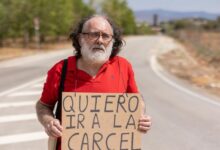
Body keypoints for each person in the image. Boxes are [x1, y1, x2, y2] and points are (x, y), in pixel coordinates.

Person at [36, 15, 152, 150]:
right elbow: (43, 105)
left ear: (113, 41)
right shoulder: (61, 70)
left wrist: (140, 115)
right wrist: (49, 122)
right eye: (94, 35)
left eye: (106, 36)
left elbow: (136, 99)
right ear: (80, 39)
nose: (100, 41)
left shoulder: (123, 66)